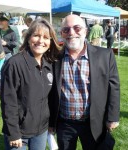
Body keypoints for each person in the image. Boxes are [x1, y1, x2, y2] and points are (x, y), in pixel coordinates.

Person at [49, 14, 120, 150]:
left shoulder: (105, 55)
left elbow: (114, 87)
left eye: (77, 28)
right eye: (66, 30)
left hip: (94, 121)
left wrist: (113, 117)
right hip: (65, 123)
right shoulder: (54, 57)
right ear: (62, 34)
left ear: (86, 31)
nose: (71, 33)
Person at [0, 18, 60, 150]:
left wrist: (50, 124)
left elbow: (49, 99)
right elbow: (8, 102)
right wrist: (13, 133)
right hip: (19, 132)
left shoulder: (49, 63)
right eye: (36, 35)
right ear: (28, 38)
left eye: (45, 37)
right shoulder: (15, 64)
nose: (41, 41)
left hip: (41, 131)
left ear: (50, 41)